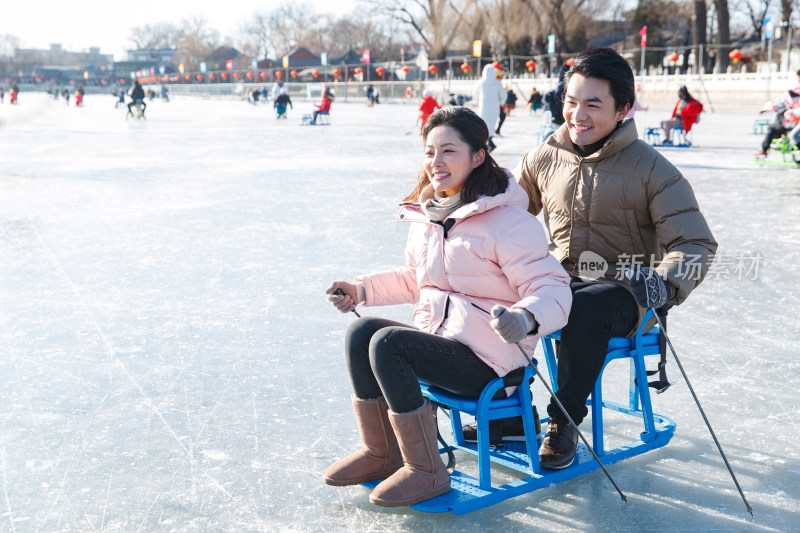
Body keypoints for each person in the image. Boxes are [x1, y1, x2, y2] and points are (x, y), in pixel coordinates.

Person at [323, 106, 572, 507]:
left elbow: (555, 288)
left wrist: (524, 319)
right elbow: (414, 278)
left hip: (492, 360)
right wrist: (360, 289)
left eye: (448, 151)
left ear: (478, 156)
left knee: (389, 343)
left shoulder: (509, 222)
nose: (435, 162)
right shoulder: (429, 217)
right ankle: (383, 453)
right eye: (429, 152)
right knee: (362, 333)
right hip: (442, 344)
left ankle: (427, 471)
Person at [509, 47, 717, 470]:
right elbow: (505, 215)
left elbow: (697, 245)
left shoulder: (652, 169)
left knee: (587, 305)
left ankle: (563, 420)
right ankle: (508, 415)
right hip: (560, 280)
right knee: (489, 292)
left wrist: (665, 282)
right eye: (570, 101)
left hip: (627, 292)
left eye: (592, 104)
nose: (577, 114)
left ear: (623, 109)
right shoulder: (545, 156)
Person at [754, 87, 800, 157]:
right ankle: (781, 142)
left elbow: (774, 104)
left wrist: (763, 109)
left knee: (772, 128)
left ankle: (764, 149)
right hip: (795, 125)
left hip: (790, 125)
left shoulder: (788, 97)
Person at [474, 64, 506, 152]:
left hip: (483, 107)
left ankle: (489, 143)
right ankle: (490, 142)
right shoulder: (498, 83)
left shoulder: (481, 82)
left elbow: (475, 92)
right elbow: (504, 96)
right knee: (491, 125)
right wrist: (500, 101)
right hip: (494, 108)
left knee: (483, 124)